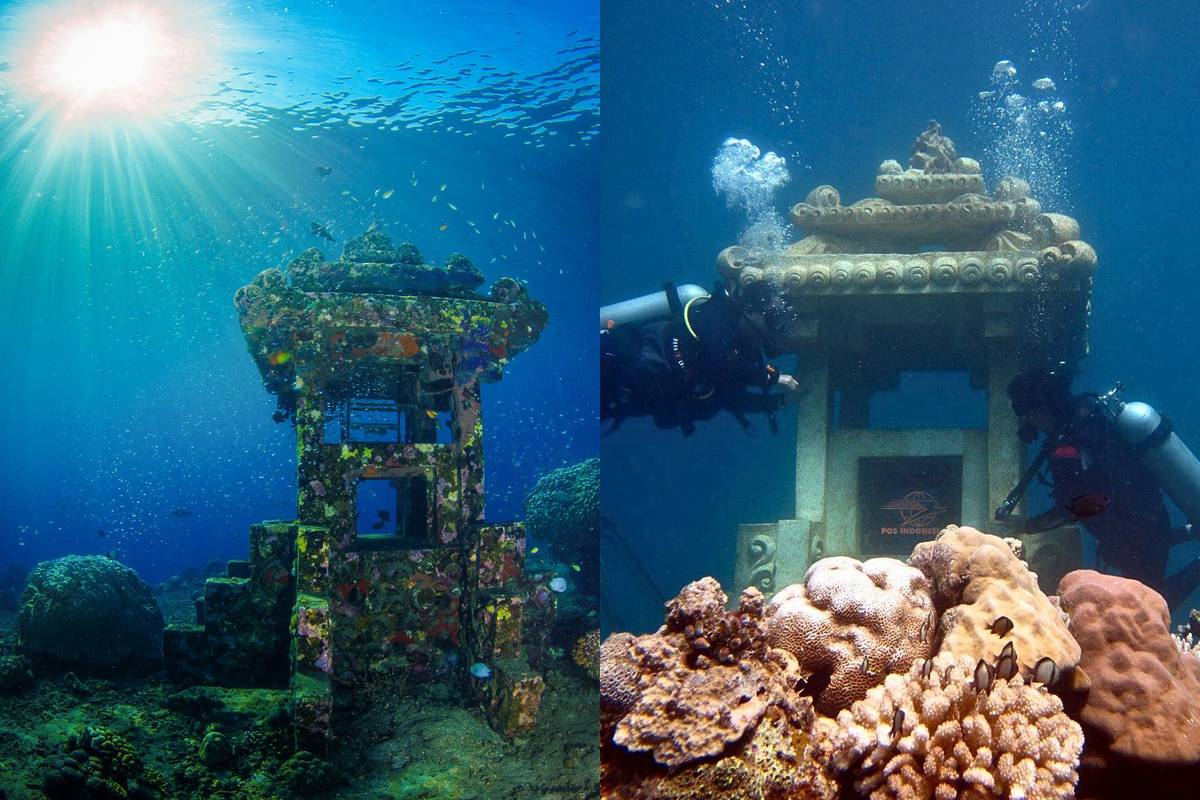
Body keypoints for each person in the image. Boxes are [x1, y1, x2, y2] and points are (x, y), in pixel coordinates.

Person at [1003, 366, 1200, 607]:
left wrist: (1025, 528)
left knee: (1148, 606)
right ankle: (1190, 532)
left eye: (1020, 409)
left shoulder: (1068, 446)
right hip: (1147, 523)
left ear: (1039, 405)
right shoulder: (1088, 420)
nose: (1022, 418)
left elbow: (1071, 509)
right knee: (1152, 555)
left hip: (1136, 535)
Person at [600, 282, 799, 435]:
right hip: (612, 365)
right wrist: (773, 377)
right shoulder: (716, 315)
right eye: (774, 320)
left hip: (628, 396)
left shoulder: (743, 350)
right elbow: (719, 362)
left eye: (783, 323)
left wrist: (779, 402)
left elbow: (729, 397)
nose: (778, 332)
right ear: (749, 311)